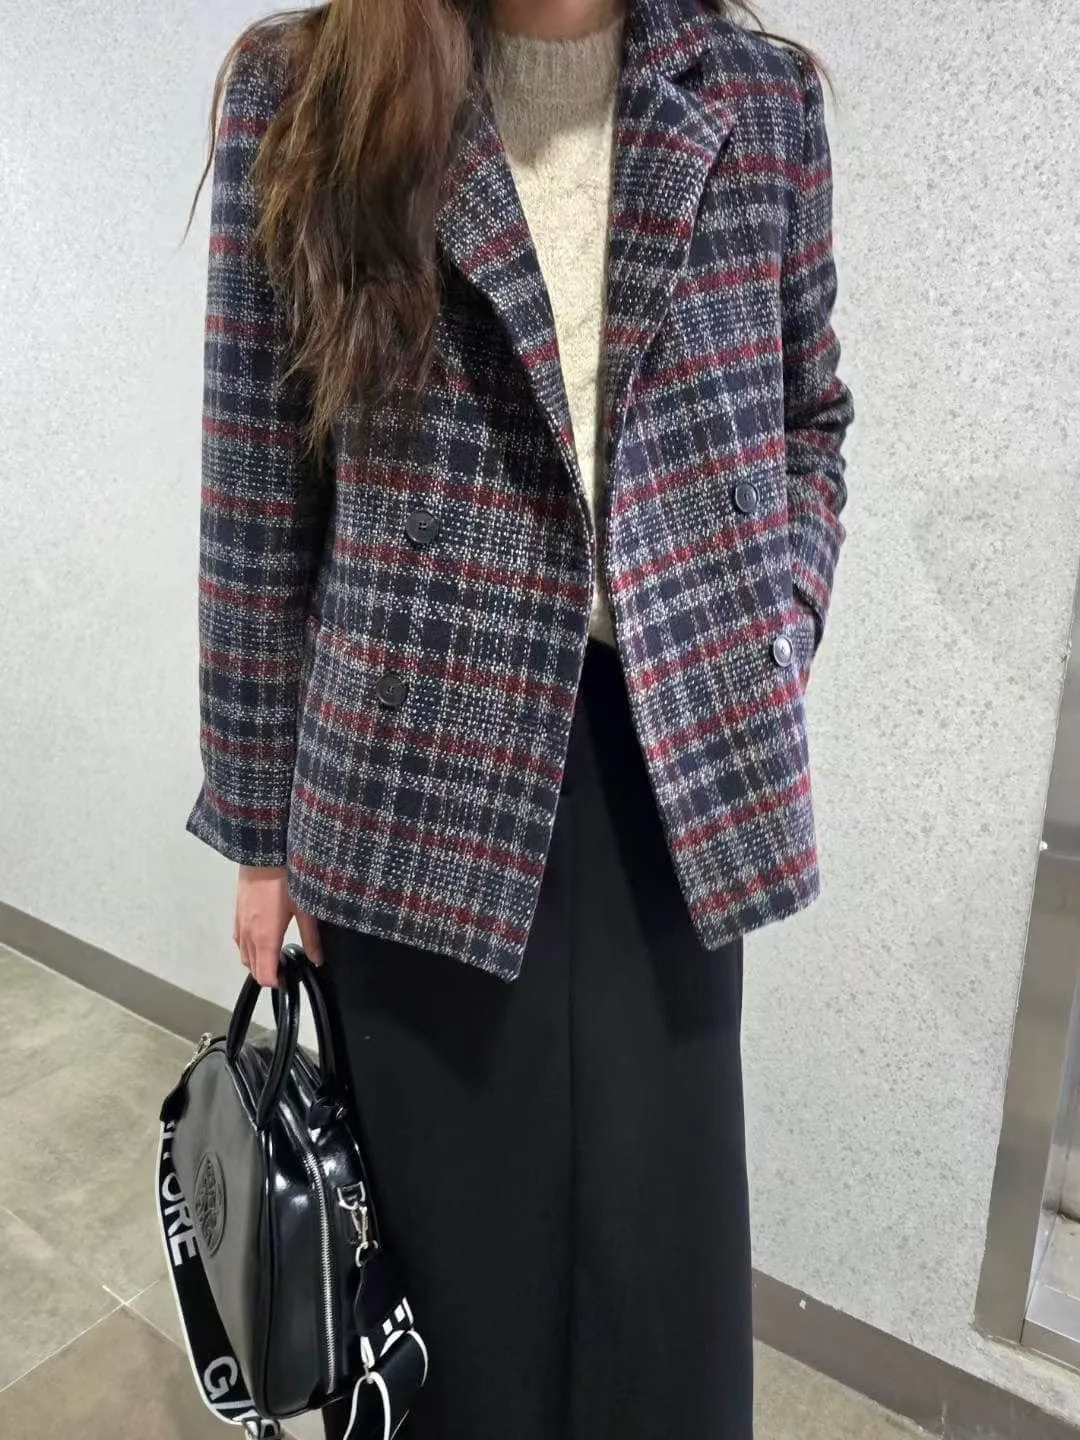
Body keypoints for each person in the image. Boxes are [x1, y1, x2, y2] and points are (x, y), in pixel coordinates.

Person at [187, 0, 852, 1435]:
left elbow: (810, 418)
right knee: (452, 1300)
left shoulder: (760, 98)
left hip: (673, 780)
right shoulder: (305, 90)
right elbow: (256, 488)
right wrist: (259, 833)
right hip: (408, 782)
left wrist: (773, 624)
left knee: (662, 1287)